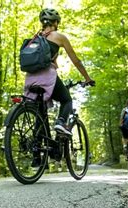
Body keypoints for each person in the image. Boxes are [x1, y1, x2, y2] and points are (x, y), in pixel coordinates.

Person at [24, 8, 95, 136]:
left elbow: (49, 61)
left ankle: (37, 151)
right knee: (66, 100)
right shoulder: (59, 37)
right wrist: (87, 78)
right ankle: (61, 122)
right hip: (46, 77)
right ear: (55, 22)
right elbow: (76, 61)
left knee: (41, 113)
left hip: (30, 79)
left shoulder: (35, 39)